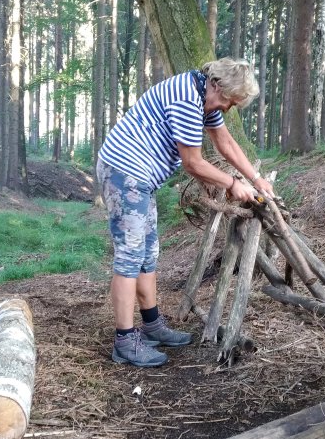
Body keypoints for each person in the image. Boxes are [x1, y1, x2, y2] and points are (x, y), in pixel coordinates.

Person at [96, 57, 275, 367]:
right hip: (124, 174)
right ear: (216, 85)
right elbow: (193, 162)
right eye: (228, 101)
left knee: (147, 253)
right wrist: (233, 184)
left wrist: (256, 179)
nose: (228, 109)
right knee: (129, 256)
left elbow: (224, 141)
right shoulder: (187, 100)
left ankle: (152, 325)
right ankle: (124, 340)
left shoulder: (203, 95)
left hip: (140, 180)